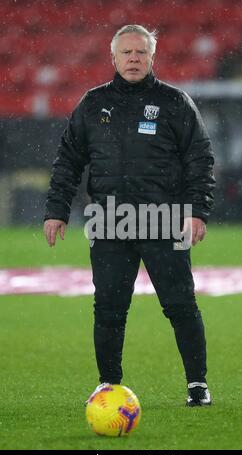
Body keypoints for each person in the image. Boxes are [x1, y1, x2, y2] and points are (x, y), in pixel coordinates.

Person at [43, 25, 215, 406]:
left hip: (164, 220)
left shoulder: (174, 102)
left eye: (141, 52)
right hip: (109, 222)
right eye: (127, 53)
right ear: (114, 58)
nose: (134, 58)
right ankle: (108, 386)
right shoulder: (92, 103)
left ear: (152, 57)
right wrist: (56, 210)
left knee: (180, 304)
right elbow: (68, 161)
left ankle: (197, 385)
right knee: (108, 308)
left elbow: (199, 159)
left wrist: (197, 210)